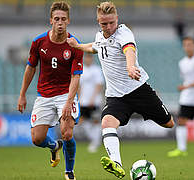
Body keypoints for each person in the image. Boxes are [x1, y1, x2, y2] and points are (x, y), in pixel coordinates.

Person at [67, 1, 175, 179]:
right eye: (104, 23)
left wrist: (130, 67)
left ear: (117, 19)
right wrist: (77, 46)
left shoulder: (124, 33)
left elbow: (129, 50)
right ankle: (116, 164)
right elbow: (94, 47)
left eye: (111, 22)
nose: (108, 27)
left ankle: (147, 111)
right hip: (116, 96)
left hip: (138, 90)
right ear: (98, 22)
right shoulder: (100, 37)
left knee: (169, 123)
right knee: (106, 123)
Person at [16, 1, 83, 180]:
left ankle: (69, 172)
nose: (60, 22)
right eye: (56, 19)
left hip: (65, 94)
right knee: (37, 139)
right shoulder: (38, 42)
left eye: (63, 19)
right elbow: (30, 68)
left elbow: (76, 76)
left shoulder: (75, 45)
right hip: (44, 95)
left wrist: (69, 101)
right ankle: (54, 146)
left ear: (68, 21)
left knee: (67, 133)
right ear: (50, 21)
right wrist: (22, 94)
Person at [79, 53, 104, 153]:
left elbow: (99, 85)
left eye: (89, 57)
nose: (87, 59)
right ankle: (94, 140)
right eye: (86, 57)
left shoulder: (96, 70)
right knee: (81, 121)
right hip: (83, 101)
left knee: (95, 121)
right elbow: (79, 86)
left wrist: (93, 99)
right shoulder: (82, 70)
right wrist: (79, 98)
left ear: (92, 59)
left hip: (95, 101)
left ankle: (95, 142)